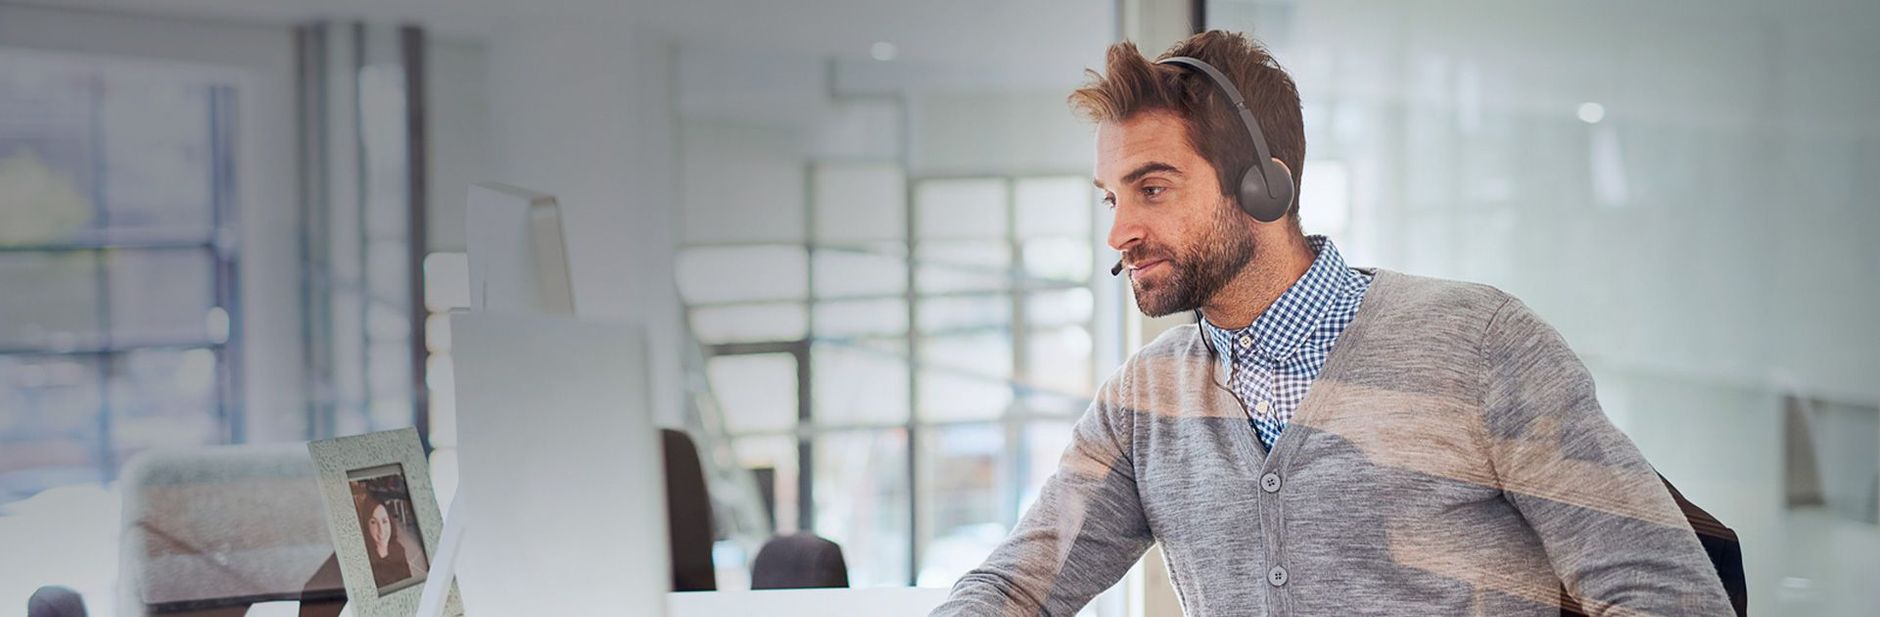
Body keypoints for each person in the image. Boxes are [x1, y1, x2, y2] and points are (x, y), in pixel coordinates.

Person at [931, 31, 1731, 616]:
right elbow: (1014, 586)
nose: (1119, 233)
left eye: (1153, 189)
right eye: (1113, 199)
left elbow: (1668, 594)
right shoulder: (1145, 401)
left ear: (1262, 188)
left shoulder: (1479, 344)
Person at [361, 497, 414, 590]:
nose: (381, 531)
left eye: (384, 521)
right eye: (373, 522)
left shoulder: (399, 550)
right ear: (366, 525)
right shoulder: (365, 561)